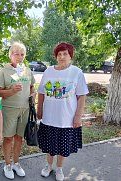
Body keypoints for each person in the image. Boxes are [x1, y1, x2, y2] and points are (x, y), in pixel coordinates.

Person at [37, 42, 89, 181]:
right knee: (49, 146)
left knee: (63, 147)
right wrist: (39, 109)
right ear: (56, 57)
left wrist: (78, 116)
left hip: (67, 119)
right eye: (59, 54)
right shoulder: (48, 71)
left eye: (65, 54)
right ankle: (48, 166)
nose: (62, 57)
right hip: (49, 118)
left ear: (70, 56)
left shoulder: (76, 72)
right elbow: (41, 92)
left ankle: (59, 169)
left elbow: (81, 96)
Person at [0, 42, 35, 179]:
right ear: (10, 55)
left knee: (19, 138)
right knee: (8, 138)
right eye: (16, 53)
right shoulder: (4, 71)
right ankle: (7, 164)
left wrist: (32, 94)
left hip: (24, 109)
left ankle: (16, 163)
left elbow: (31, 87)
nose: (19, 56)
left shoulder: (27, 70)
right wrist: (11, 91)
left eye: (22, 54)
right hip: (9, 109)